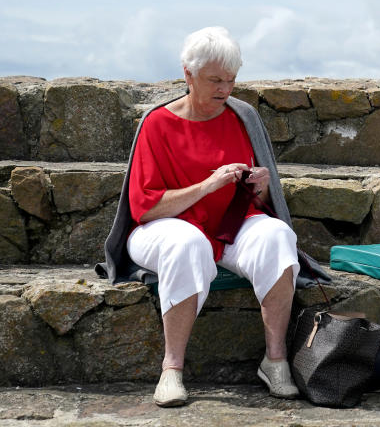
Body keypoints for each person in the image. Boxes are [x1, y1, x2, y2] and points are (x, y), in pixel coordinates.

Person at [96, 26, 330, 407]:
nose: (225, 89)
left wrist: (262, 185)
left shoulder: (243, 116)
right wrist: (206, 186)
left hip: (229, 228)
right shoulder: (157, 123)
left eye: (232, 80)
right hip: (162, 229)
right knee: (187, 242)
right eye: (215, 80)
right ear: (188, 74)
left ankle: (275, 361)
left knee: (276, 235)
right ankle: (172, 369)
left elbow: (264, 203)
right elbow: (146, 208)